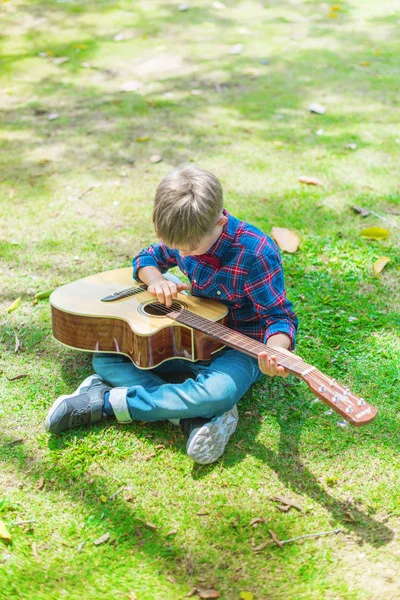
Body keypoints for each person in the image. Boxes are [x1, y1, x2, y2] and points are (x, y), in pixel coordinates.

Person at [45, 164, 298, 464]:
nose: (183, 254)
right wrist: (156, 280)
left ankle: (108, 402)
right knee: (107, 356)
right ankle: (188, 418)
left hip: (239, 347)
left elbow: (278, 317)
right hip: (191, 336)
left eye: (190, 248)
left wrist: (275, 351)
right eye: (175, 247)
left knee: (218, 394)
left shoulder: (256, 253)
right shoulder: (184, 235)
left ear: (220, 221)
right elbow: (147, 258)